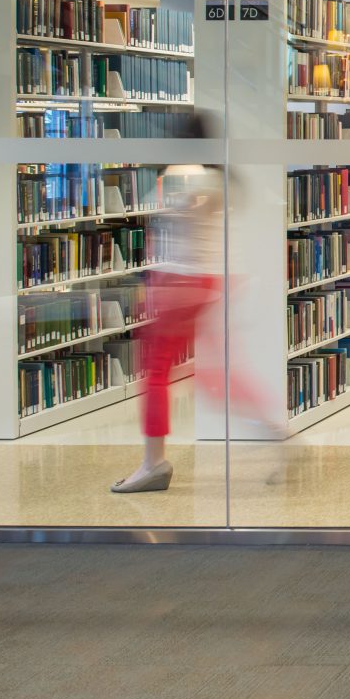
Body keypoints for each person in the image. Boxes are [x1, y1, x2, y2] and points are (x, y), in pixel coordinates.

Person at [113, 114, 282, 492]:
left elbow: (180, 224)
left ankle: (152, 463)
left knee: (156, 371)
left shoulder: (189, 177)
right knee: (216, 376)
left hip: (183, 282)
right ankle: (276, 433)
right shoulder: (220, 178)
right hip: (213, 281)